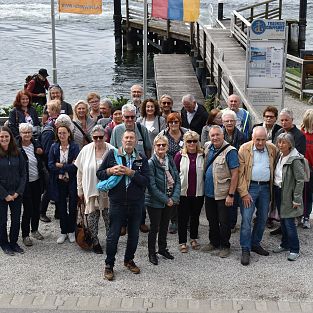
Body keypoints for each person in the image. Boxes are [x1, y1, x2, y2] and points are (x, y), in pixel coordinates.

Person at [97, 130, 150, 281]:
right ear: (122, 140)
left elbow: (145, 182)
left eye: (131, 138)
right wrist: (110, 170)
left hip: (136, 203)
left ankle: (129, 260)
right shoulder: (112, 155)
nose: (129, 140)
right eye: (126, 137)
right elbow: (99, 174)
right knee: (113, 236)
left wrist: (130, 173)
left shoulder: (141, 158)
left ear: (136, 141)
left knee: (134, 235)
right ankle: (109, 265)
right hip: (117, 202)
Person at [237, 126, 277, 266]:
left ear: (266, 138)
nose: (260, 143)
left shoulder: (271, 148)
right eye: (257, 139)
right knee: (247, 219)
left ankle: (255, 243)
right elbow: (240, 174)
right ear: (252, 138)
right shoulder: (244, 149)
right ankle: (245, 248)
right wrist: (244, 193)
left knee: (263, 218)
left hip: (266, 188)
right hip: (250, 187)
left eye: (263, 139)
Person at [110, 103, 152, 233]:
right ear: (122, 117)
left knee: (140, 196)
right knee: (123, 196)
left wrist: (146, 164)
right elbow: (112, 148)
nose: (129, 120)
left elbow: (148, 148)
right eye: (126, 117)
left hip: (138, 166)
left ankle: (141, 221)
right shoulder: (117, 130)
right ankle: (123, 224)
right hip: (121, 166)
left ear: (136, 117)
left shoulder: (142, 128)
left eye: (132, 117)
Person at [75, 125, 114, 254]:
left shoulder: (112, 150)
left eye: (100, 137)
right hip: (91, 190)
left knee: (110, 219)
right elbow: (79, 172)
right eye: (95, 137)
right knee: (92, 219)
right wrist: (79, 189)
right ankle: (95, 241)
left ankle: (111, 242)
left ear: (105, 137)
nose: (98, 140)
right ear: (92, 137)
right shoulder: (86, 150)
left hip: (109, 192)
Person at [202, 125, 239, 258]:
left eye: (218, 134)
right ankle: (214, 242)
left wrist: (231, 194)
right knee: (211, 219)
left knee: (224, 222)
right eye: (212, 135)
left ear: (223, 135)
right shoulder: (207, 147)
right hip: (209, 192)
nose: (215, 137)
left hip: (224, 194)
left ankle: (225, 245)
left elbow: (235, 174)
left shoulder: (230, 151)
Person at [146, 134, 180, 265]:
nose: (161, 147)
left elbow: (177, 178)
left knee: (165, 226)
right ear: (154, 146)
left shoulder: (170, 159)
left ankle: (162, 249)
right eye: (158, 145)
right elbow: (152, 187)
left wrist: (175, 197)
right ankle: (151, 252)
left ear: (167, 147)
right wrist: (166, 200)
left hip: (170, 198)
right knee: (154, 227)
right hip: (156, 201)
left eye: (163, 145)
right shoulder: (151, 163)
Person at [272, 133, 304, 261]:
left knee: (289, 222)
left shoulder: (294, 159)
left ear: (290, 144)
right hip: (279, 191)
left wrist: (296, 199)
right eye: (279, 142)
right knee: (283, 220)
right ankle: (285, 244)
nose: (281, 145)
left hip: (289, 194)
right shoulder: (280, 155)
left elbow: (300, 180)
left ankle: (295, 249)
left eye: (284, 142)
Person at [48, 124, 79, 244]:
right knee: (61, 207)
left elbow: (76, 166)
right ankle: (63, 231)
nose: (62, 135)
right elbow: (50, 165)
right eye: (60, 133)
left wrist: (60, 165)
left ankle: (71, 230)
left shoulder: (75, 147)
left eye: (64, 133)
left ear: (69, 134)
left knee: (72, 206)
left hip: (72, 180)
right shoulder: (54, 147)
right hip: (58, 181)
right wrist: (65, 168)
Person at [174, 131, 204, 253]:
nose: (192, 143)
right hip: (183, 193)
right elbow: (174, 174)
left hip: (198, 192)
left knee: (195, 217)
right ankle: (182, 241)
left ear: (198, 142)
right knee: (182, 218)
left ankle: (193, 238)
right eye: (189, 141)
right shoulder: (179, 155)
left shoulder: (203, 155)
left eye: (194, 141)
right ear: (185, 142)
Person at [158, 112, 187, 234]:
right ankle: (174, 220)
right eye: (171, 122)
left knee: (184, 194)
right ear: (168, 123)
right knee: (171, 194)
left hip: (185, 168)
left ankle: (186, 219)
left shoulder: (186, 133)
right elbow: (157, 150)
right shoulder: (163, 134)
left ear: (180, 122)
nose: (174, 124)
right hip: (168, 169)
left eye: (176, 121)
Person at [0, 126, 26, 255]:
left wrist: (18, 192)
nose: (4, 139)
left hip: (16, 193)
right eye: (1, 137)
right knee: (2, 221)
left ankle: (14, 242)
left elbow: (23, 174)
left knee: (16, 220)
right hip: (1, 194)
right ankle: (4, 244)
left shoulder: (18, 152)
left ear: (10, 137)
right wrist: (5, 195)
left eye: (6, 136)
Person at [18, 123, 45, 246]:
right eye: (24, 132)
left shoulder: (36, 144)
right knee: (28, 209)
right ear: (20, 134)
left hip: (37, 180)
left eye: (29, 132)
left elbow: (42, 158)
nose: (27, 134)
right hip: (25, 183)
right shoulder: (16, 147)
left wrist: (41, 152)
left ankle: (34, 229)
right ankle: (25, 235)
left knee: (36, 207)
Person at [222, 109, 247, 231]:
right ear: (223, 122)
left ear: (236, 122)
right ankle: (223, 221)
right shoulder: (219, 135)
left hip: (236, 169)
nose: (229, 123)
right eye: (227, 121)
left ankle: (232, 224)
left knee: (233, 197)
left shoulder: (242, 136)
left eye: (232, 120)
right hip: (222, 169)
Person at [39, 100, 62, 223]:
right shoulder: (50, 129)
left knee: (57, 185)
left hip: (53, 161)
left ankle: (58, 211)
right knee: (50, 188)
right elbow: (47, 151)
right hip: (50, 163)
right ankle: (41, 212)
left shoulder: (51, 124)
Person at [301, 109, 313, 229]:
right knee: (300, 192)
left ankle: (306, 216)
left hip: (312, 169)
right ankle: (300, 214)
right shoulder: (302, 134)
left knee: (309, 194)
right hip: (303, 168)